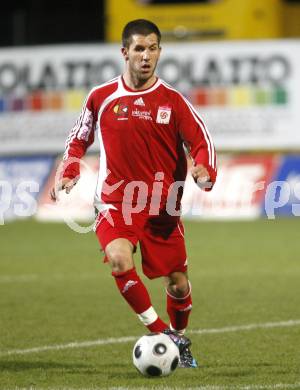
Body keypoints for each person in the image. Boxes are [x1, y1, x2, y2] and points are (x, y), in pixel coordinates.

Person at [51, 19, 217, 368]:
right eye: (139, 48)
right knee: (118, 259)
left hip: (162, 206)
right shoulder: (101, 96)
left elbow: (201, 141)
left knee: (178, 284)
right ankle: (163, 334)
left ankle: (178, 333)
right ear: (124, 52)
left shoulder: (173, 101)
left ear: (159, 51)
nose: (146, 56)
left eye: (153, 48)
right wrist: (68, 170)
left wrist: (205, 168)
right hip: (115, 203)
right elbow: (78, 137)